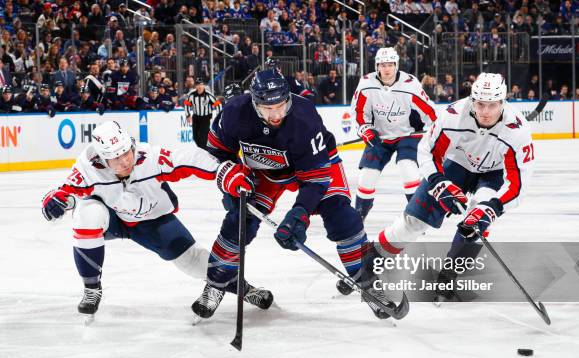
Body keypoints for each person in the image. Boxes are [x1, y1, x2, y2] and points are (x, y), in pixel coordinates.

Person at [192, 69, 397, 320]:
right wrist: (228, 174)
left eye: (281, 105)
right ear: (255, 104)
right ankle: (216, 283)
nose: (277, 114)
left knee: (343, 219)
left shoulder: (304, 118)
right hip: (264, 172)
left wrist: (299, 214)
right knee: (238, 222)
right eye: (269, 109)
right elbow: (216, 153)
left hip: (314, 168)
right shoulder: (234, 113)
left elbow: (317, 179)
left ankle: (370, 285)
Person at [40, 121, 253, 320]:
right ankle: (91, 289)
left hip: (151, 221)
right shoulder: (88, 166)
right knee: (87, 214)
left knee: (193, 261)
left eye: (126, 152)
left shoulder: (149, 157)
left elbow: (188, 158)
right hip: (113, 218)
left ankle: (245, 288)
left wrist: (222, 172)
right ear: (102, 160)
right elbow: (64, 193)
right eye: (115, 158)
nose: (124, 161)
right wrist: (54, 202)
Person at [357, 73, 534, 302]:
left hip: (493, 174)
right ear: (472, 100)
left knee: (475, 225)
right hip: (457, 165)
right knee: (414, 220)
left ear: (503, 102)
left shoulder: (518, 131)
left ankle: (449, 276)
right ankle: (371, 258)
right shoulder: (453, 115)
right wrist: (439, 183)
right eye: (480, 104)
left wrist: (491, 208)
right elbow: (427, 151)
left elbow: (518, 184)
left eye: (492, 105)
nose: (486, 112)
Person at [350, 47, 437, 222]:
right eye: (383, 64)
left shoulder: (409, 83)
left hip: (407, 135)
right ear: (377, 66)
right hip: (380, 138)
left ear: (396, 65)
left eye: (390, 64)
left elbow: (430, 112)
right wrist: (366, 130)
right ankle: (358, 215)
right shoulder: (367, 83)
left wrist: (435, 133)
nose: (387, 69)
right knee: (367, 175)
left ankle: (417, 215)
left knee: (408, 168)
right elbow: (359, 112)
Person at [184, 78, 219, 149]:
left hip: (206, 118)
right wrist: (188, 115)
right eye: (198, 85)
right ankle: (201, 149)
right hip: (196, 117)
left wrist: (218, 116)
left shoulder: (208, 95)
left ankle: (203, 150)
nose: (200, 87)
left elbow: (218, 104)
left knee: (203, 135)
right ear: (195, 86)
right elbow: (186, 103)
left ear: (204, 86)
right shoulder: (192, 95)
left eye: (201, 85)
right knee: (195, 136)